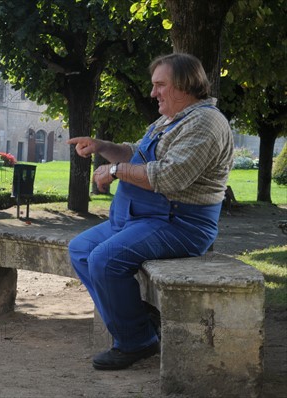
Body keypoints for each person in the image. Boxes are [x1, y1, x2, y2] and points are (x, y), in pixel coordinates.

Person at [67, 53, 234, 370]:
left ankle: (136, 341)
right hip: (142, 218)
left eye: (160, 85)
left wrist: (115, 171)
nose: (153, 92)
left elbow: (171, 176)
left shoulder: (206, 122)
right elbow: (137, 152)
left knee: (105, 260)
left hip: (180, 223)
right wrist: (101, 145)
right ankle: (139, 318)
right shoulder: (170, 119)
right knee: (81, 249)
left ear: (185, 85)